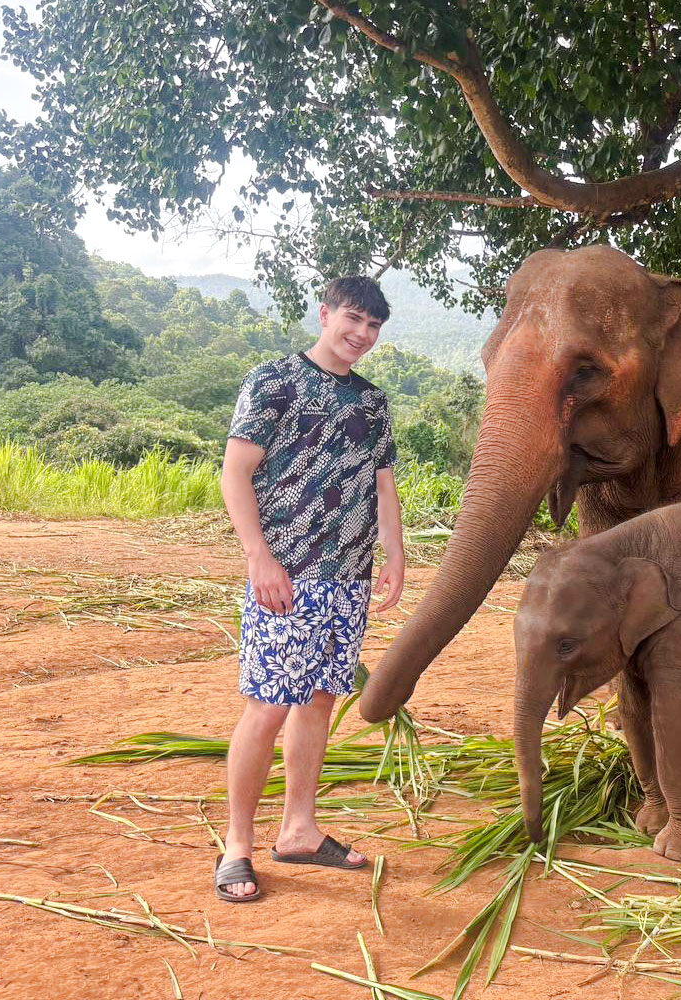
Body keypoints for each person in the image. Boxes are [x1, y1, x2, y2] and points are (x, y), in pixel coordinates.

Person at [212, 276, 405, 902]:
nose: (362, 335)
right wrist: (258, 559)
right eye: (353, 319)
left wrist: (395, 555)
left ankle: (298, 829)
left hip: (346, 578)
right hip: (285, 579)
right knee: (267, 705)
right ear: (325, 314)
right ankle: (237, 844)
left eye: (373, 326)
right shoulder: (274, 381)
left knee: (320, 700)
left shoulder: (373, 402)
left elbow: (382, 486)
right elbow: (235, 472)